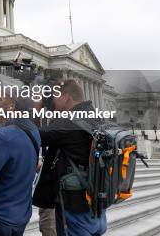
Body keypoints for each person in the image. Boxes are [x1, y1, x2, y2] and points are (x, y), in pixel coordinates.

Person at [33, 79, 106, 236]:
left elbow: (35, 135)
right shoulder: (97, 117)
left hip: (75, 209)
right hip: (96, 205)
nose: (52, 100)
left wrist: (37, 108)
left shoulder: (69, 123)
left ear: (65, 97)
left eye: (55, 96)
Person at [0, 92, 41, 236]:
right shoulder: (34, 132)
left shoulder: (2, 136)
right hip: (21, 215)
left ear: (12, 106)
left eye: (0, 100)